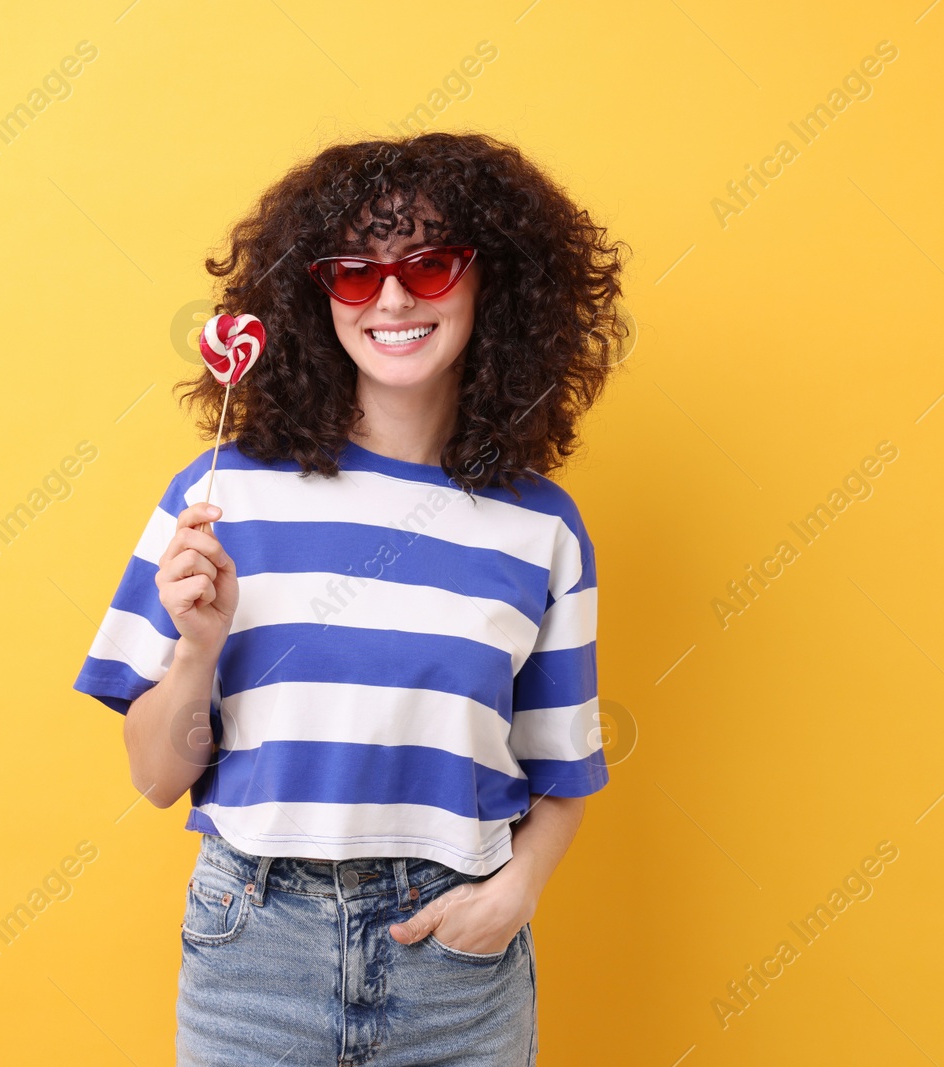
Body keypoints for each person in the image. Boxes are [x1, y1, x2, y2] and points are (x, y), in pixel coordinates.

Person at [73, 130, 629, 1066]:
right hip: (254, 953)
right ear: (313, 294)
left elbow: (561, 767)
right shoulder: (218, 501)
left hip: (457, 968)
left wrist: (515, 893)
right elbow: (156, 777)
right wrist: (197, 647)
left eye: (430, 262)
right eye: (356, 273)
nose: (395, 297)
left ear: (494, 282)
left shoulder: (542, 528)